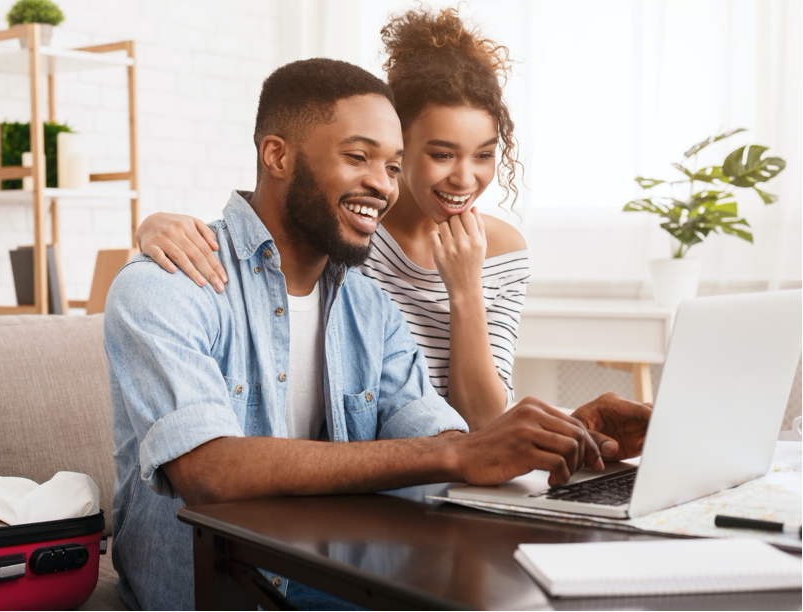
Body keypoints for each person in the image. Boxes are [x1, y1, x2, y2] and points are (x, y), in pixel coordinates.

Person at [105, 58, 649, 610]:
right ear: (277, 155)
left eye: (392, 166)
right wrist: (460, 454)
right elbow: (208, 470)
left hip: (342, 571)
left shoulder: (369, 305)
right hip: (220, 590)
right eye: (358, 157)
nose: (382, 186)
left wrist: (557, 438)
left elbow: (442, 441)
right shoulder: (166, 286)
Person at [136, 8, 528, 430]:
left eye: (484, 155)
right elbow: (275, 213)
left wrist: (465, 288)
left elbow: (478, 424)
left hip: (430, 463)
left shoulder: (495, 255)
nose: (465, 178)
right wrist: (150, 226)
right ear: (404, 142)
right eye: (442, 154)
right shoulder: (346, 233)